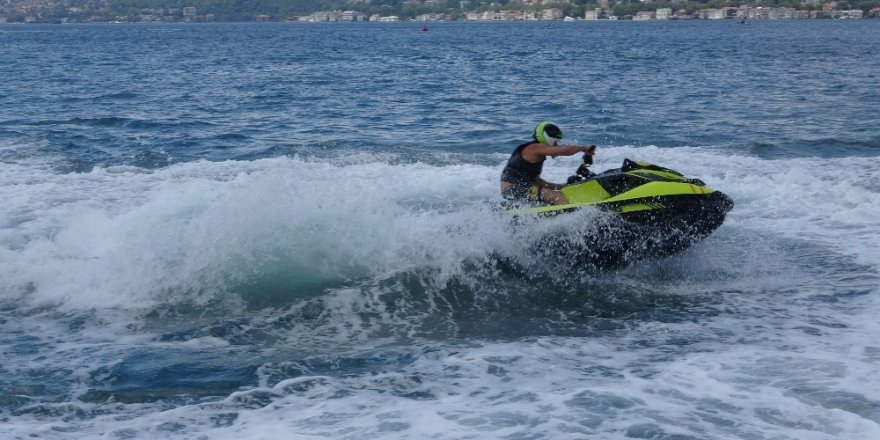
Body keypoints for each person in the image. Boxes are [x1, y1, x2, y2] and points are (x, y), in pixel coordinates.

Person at [500, 121, 596, 205]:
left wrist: (561, 186)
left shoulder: (535, 155)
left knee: (558, 195)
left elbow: (535, 181)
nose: (556, 145)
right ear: (547, 138)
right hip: (513, 190)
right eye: (555, 142)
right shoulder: (534, 148)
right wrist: (583, 148)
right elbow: (564, 151)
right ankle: (571, 223)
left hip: (519, 188)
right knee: (559, 197)